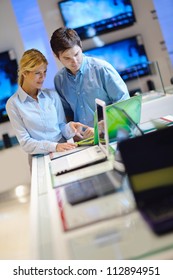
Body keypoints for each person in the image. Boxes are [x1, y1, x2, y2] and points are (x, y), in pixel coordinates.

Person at [6, 49, 89, 161]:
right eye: (37, 73)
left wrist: (70, 128)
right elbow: (25, 143)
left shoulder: (52, 95)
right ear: (25, 73)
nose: (43, 77)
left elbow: (60, 127)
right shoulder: (13, 104)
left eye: (44, 72)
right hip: (39, 158)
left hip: (63, 150)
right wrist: (54, 146)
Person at [50, 27, 130, 128]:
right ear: (56, 56)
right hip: (84, 142)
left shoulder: (102, 69)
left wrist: (101, 129)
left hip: (112, 135)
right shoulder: (59, 80)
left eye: (76, 54)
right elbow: (67, 114)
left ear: (81, 46)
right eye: (67, 58)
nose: (74, 61)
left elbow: (124, 104)